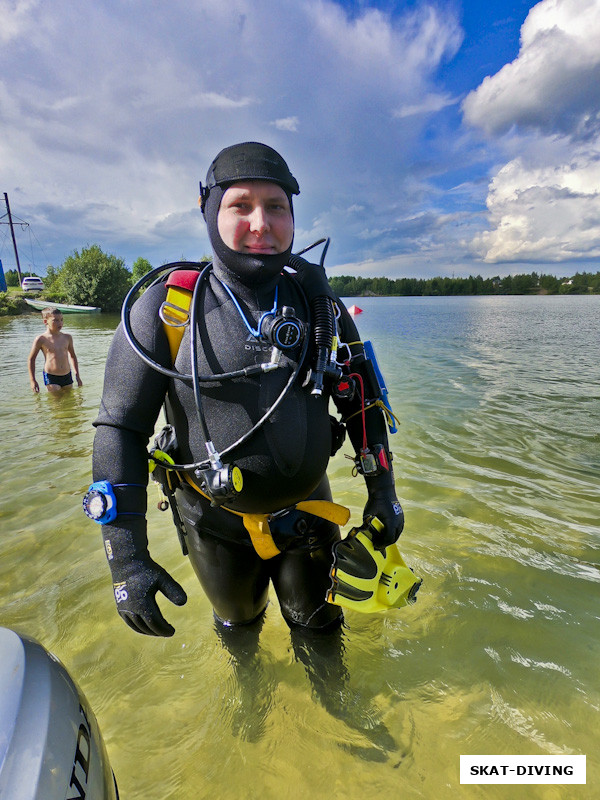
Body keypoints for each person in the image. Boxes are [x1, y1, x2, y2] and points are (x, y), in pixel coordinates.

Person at [90, 142, 404, 644]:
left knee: (322, 633)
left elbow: (361, 399)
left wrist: (384, 496)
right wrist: (127, 559)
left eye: (276, 206)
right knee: (240, 634)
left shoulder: (317, 302)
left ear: (294, 217)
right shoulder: (167, 309)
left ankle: (335, 720)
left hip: (309, 514)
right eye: (242, 206)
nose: (262, 223)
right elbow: (121, 429)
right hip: (215, 528)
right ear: (211, 212)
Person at [28, 307, 82, 393]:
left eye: (61, 320)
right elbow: (31, 359)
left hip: (67, 375)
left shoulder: (67, 337)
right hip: (51, 376)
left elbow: (72, 356)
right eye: (55, 320)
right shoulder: (41, 339)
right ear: (46, 322)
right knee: (56, 404)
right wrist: (32, 380)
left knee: (70, 402)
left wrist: (77, 375)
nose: (60, 323)